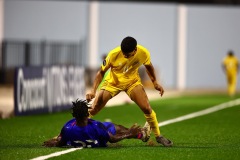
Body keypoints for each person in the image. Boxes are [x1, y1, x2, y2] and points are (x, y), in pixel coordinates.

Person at [86, 36, 173, 147]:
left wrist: (155, 82)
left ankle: (159, 136)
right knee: (94, 108)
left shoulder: (143, 53)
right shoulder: (113, 54)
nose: (125, 56)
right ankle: (75, 131)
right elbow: (101, 72)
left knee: (146, 107)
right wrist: (93, 91)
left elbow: (149, 67)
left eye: (128, 54)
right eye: (123, 53)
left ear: (135, 50)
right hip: (112, 83)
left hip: (132, 83)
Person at [43, 99, 149, 148]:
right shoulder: (96, 126)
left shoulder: (67, 127)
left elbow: (61, 142)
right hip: (99, 138)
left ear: (74, 116)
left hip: (82, 136)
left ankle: (139, 134)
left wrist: (55, 142)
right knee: (118, 128)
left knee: (112, 129)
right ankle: (140, 135)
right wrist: (129, 133)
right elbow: (112, 139)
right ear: (87, 114)